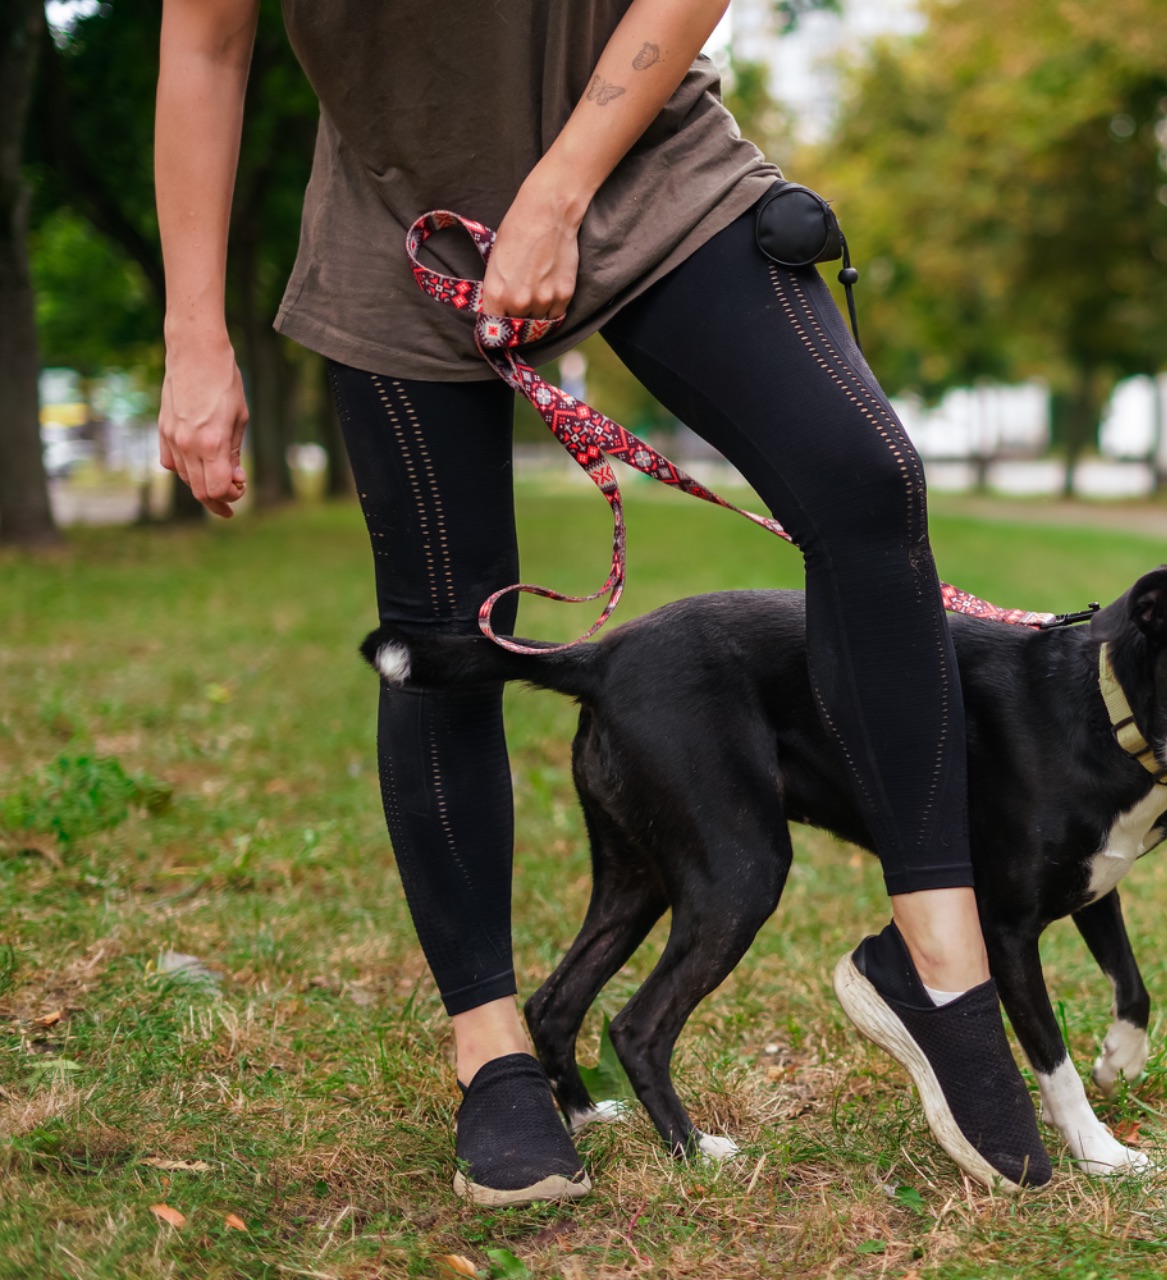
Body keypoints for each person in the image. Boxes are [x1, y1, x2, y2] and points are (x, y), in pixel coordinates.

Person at [155, 0, 1049, 1203]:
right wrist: (192, 332)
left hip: (647, 163)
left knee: (862, 476)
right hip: (397, 216)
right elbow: (204, 47)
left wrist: (559, 192)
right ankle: (496, 1057)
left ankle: (937, 971)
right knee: (442, 627)